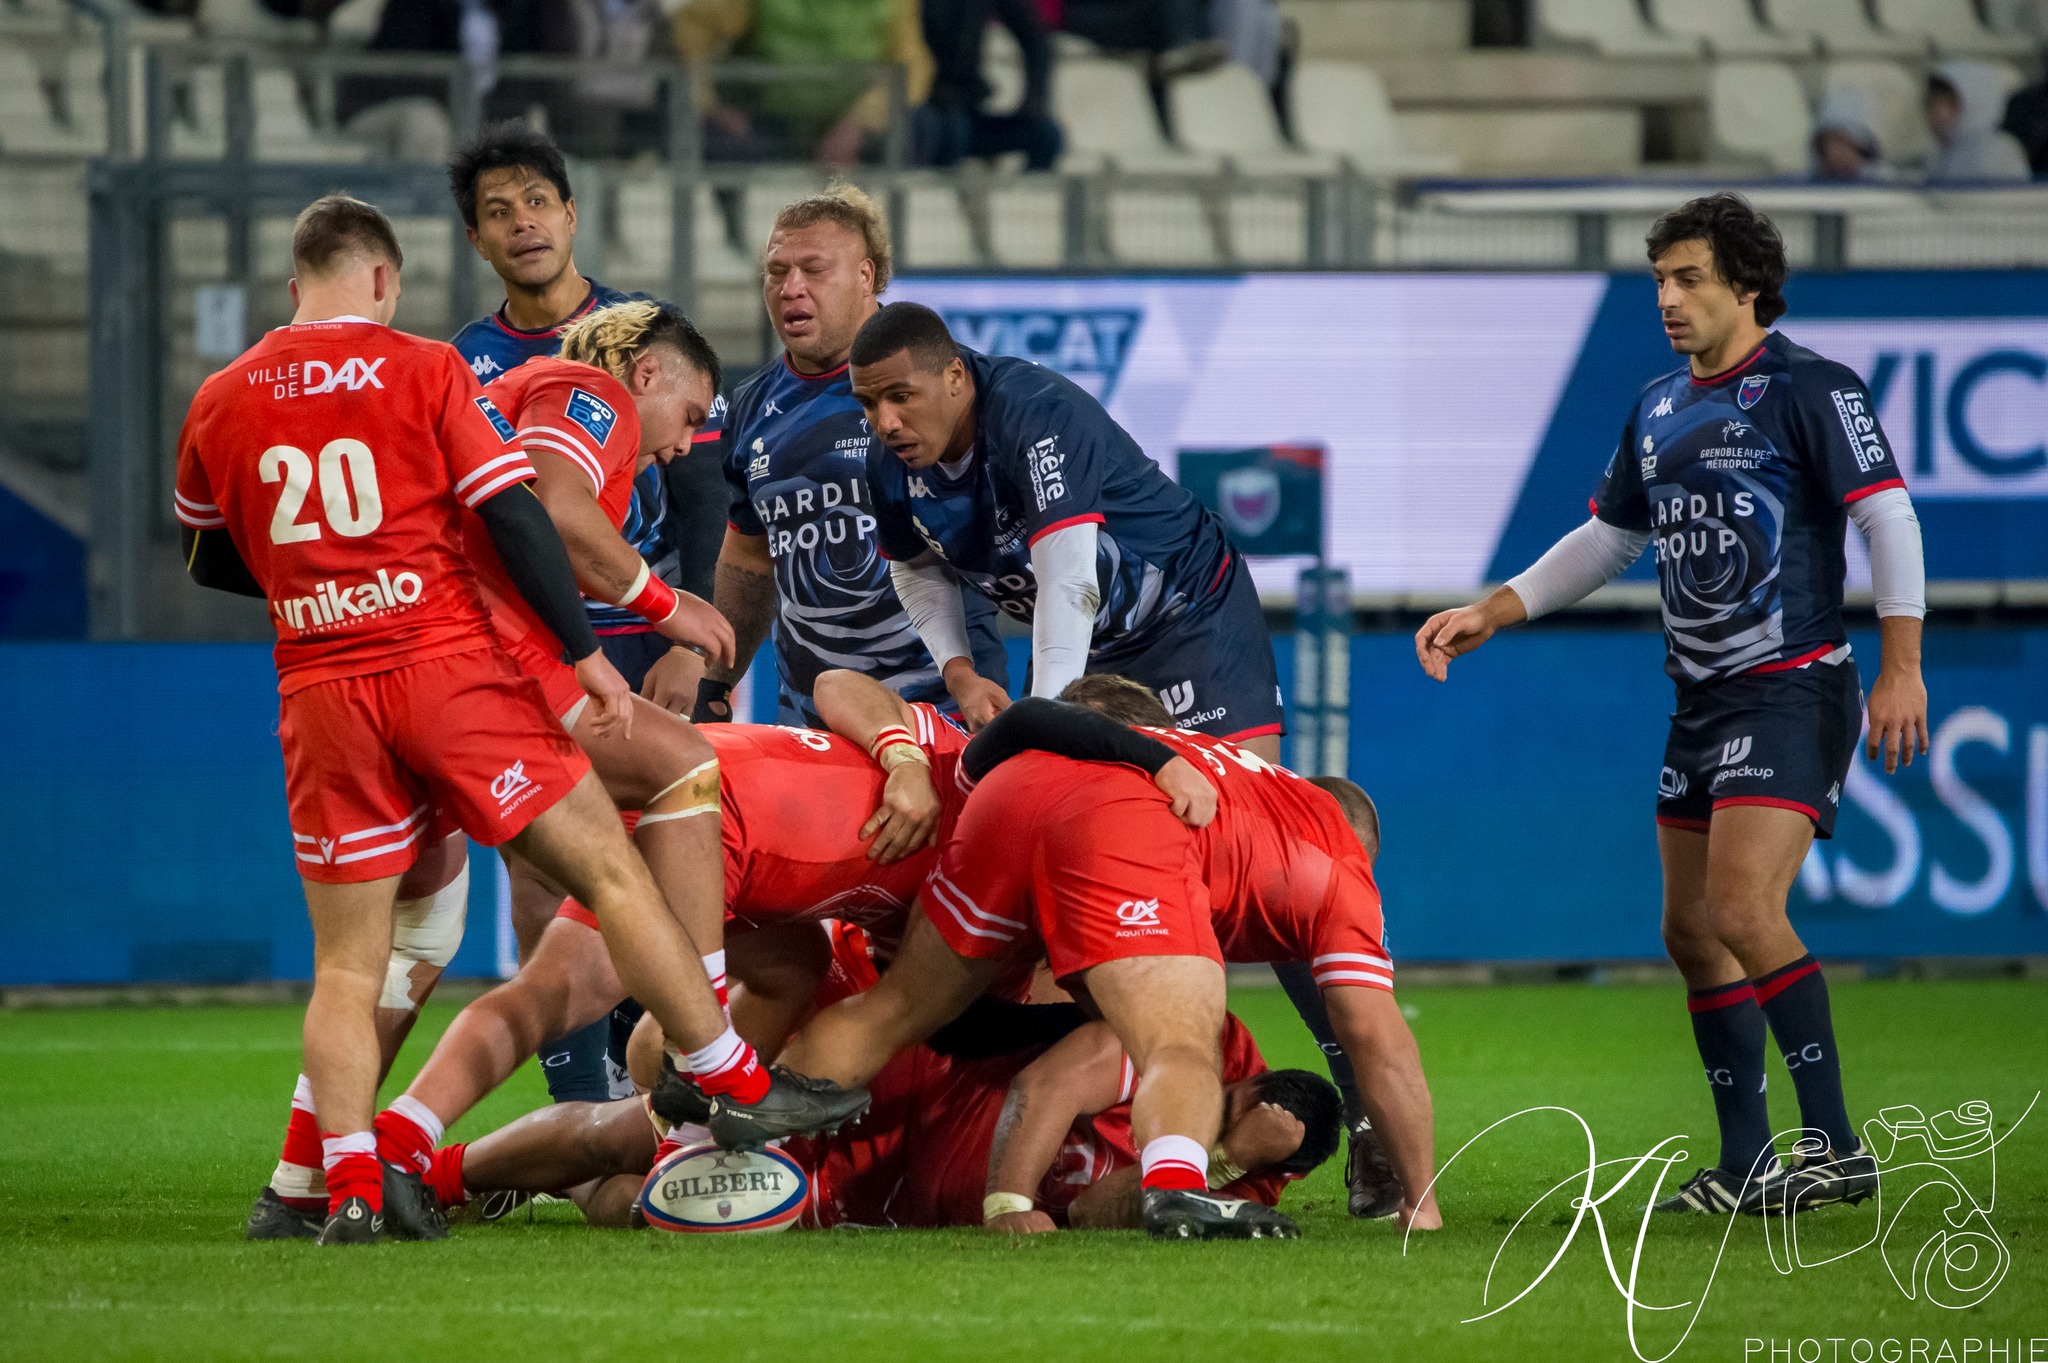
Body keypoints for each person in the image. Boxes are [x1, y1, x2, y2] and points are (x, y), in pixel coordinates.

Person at [179, 194, 859, 1243]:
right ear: (385, 281)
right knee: (664, 793)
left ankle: (326, 1177)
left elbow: (210, 552)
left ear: (291, 285)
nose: (684, 447)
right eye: (691, 412)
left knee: (393, 946)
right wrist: (636, 619)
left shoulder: (221, 395)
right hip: (454, 668)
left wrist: (332, 586)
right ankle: (717, 1067)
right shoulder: (545, 384)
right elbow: (531, 504)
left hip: (320, 682)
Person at [1414, 192, 1928, 1217]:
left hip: (1789, 686)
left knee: (1741, 909)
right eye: (1658, 278)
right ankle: (1746, 1164)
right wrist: (1497, 608)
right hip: (1697, 700)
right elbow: (1608, 537)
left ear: (1747, 285)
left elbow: (1887, 517)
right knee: (1690, 931)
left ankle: (1833, 1145)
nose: (1666, 296)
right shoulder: (1655, 405)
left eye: (1688, 277)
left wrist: (1900, 664)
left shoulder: (1810, 389)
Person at [449, 121, 727, 1109]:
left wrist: (689, 648)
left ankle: (666, 1061)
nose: (521, 222)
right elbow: (543, 514)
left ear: (570, 213)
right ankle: (602, 1089)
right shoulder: (461, 361)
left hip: (639, 650)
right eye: (496, 211)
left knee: (660, 849)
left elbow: (704, 501)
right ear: (476, 240)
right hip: (527, 651)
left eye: (535, 201)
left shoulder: (646, 341)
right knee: (546, 870)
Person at [850, 301, 1286, 761]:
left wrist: (1042, 721)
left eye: (901, 396)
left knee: (1241, 804)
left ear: (955, 376)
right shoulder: (887, 462)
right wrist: (961, 677)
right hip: (1080, 631)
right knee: (1054, 808)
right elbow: (916, 567)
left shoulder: (1034, 413)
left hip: (1187, 611)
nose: (885, 423)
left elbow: (1070, 583)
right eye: (868, 403)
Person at [692, 185, 1008, 731]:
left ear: (866, 277)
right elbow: (747, 564)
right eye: (776, 271)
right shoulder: (749, 407)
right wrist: (716, 681)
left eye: (814, 270)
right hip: (810, 721)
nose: (791, 288)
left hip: (942, 710)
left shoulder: (940, 382)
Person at [915, 0, 1063, 172]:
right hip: (923, 114)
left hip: (966, 109)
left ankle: (1017, 198)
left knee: (1047, 136)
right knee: (953, 132)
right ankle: (934, 197)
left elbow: (1035, 39)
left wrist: (1035, 97)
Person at [1923, 62, 2031, 185]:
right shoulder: (1940, 156)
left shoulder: (1996, 152)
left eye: (1949, 102)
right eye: (1931, 103)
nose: (1937, 112)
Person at [1810, 88, 1893, 185]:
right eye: (1835, 142)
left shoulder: (1887, 183)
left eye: (1847, 144)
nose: (1839, 152)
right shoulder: (1806, 188)